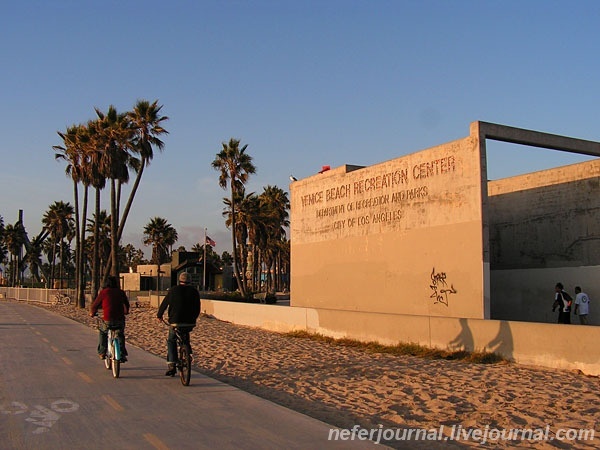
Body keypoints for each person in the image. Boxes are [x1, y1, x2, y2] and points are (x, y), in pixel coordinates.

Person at [156, 272, 200, 376]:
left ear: (179, 280)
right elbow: (197, 308)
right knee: (185, 335)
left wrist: (159, 315)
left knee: (171, 340)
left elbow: (164, 304)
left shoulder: (173, 290)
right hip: (190, 322)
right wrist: (193, 319)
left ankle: (172, 364)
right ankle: (188, 351)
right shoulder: (194, 291)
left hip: (175, 321)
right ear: (190, 281)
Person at [89, 275, 130, 361]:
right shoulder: (121, 292)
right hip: (120, 320)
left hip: (108, 320)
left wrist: (92, 313)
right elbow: (127, 305)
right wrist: (126, 311)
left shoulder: (104, 292)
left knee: (103, 332)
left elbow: (95, 305)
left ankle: (102, 352)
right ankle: (122, 353)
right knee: (120, 334)